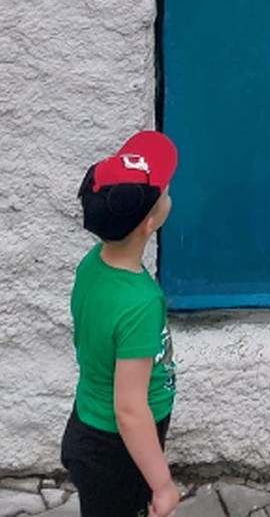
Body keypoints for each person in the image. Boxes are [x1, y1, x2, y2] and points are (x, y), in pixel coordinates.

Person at [60, 131, 181, 517]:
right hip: (115, 448)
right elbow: (129, 409)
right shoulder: (141, 302)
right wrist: (162, 486)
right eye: (164, 188)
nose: (168, 189)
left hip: (92, 429)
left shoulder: (93, 264)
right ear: (148, 223)